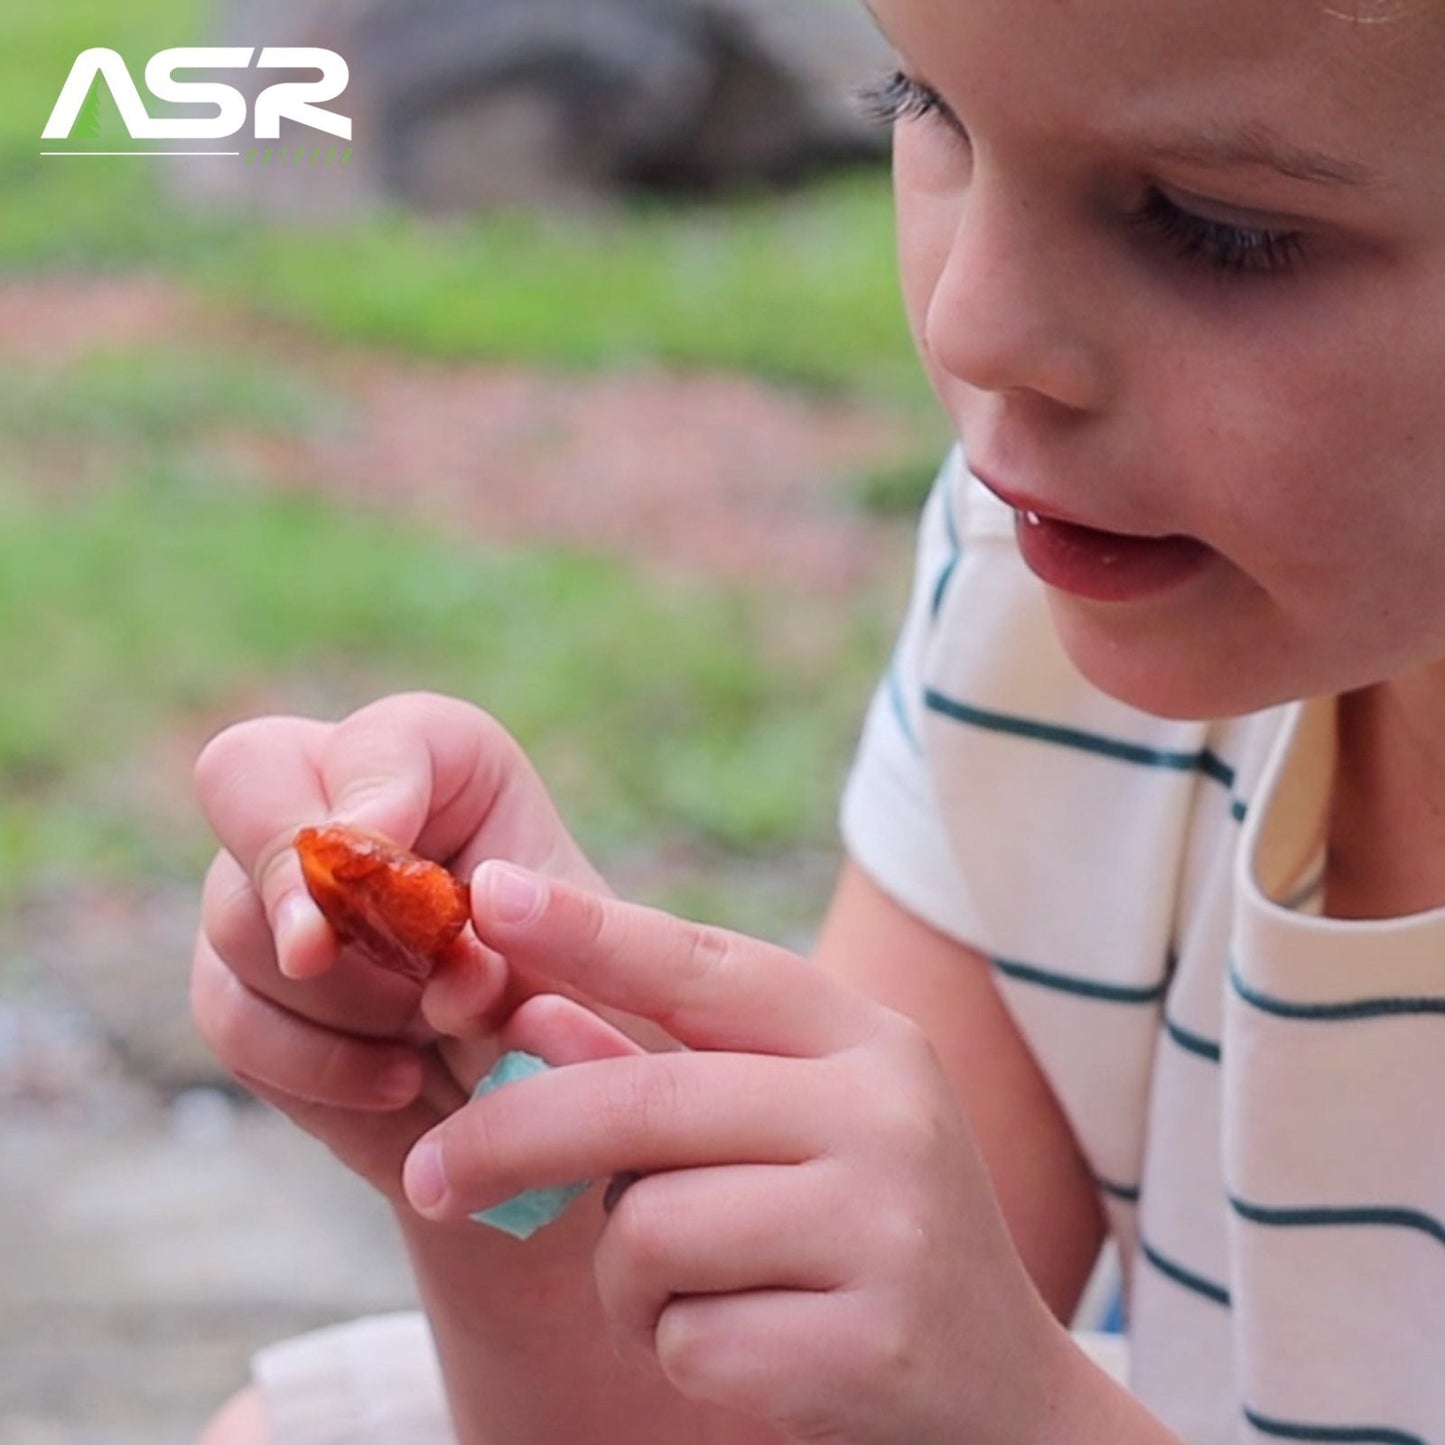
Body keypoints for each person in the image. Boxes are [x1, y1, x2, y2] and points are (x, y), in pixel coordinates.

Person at [191, 0, 1445, 1439]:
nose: (974, 321)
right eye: (924, 107)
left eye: (1212, 224)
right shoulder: (1040, 607)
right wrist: (530, 1171)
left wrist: (1027, 1415)